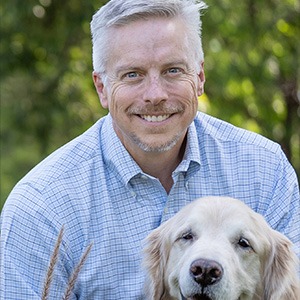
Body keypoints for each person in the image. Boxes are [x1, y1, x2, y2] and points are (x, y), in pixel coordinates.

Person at [0, 0, 299, 298]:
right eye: (133, 74)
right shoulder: (40, 209)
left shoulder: (265, 170)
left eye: (173, 70)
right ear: (102, 88)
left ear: (199, 78)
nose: (155, 95)